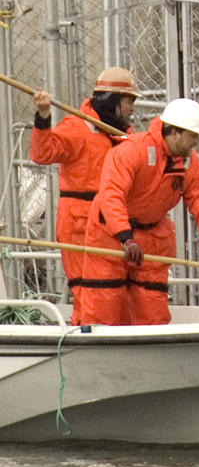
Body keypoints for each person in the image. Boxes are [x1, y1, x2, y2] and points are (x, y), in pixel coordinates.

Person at [79, 98, 199, 325]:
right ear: (173, 133)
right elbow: (112, 196)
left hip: (151, 239)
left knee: (152, 310)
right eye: (193, 136)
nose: (197, 142)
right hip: (110, 237)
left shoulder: (188, 163)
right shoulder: (133, 151)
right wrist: (125, 237)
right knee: (104, 305)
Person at [29, 67, 140, 325]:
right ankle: (87, 337)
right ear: (113, 101)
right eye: (129, 101)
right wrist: (43, 117)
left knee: (114, 294)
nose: (132, 108)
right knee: (89, 291)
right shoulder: (77, 127)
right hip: (80, 224)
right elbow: (42, 154)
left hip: (114, 225)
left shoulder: (123, 135)